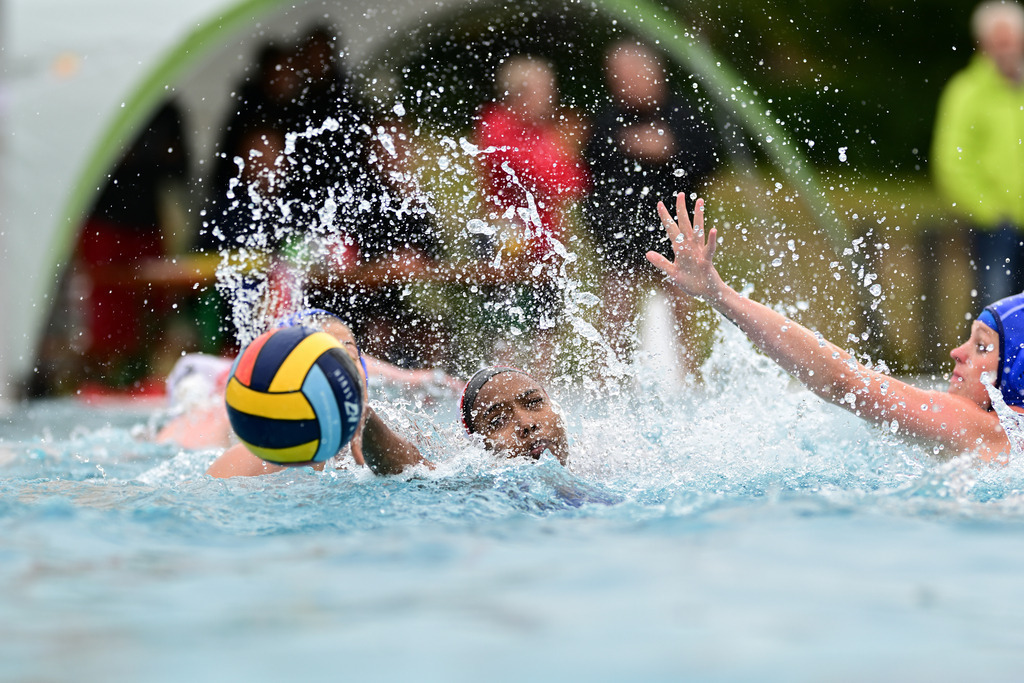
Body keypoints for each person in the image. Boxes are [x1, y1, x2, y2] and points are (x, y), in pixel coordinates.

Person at [648, 192, 1024, 463]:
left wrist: (722, 296)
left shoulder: (986, 430)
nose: (957, 352)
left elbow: (842, 382)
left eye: (982, 346)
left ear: (1016, 370)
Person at [584, 41, 721, 377]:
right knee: (616, 311)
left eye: (631, 76)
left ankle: (688, 376)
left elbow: (709, 159)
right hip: (621, 230)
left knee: (681, 305)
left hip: (671, 229)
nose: (625, 85)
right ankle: (608, 380)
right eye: (617, 78)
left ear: (654, 74)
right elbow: (590, 166)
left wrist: (670, 150)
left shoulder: (682, 115)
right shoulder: (609, 118)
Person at [160, 309, 462, 455]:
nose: (343, 373)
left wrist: (425, 381)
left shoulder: (359, 377)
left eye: (349, 356)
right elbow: (171, 450)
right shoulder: (240, 416)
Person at [474, 55, 589, 377]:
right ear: (520, 93)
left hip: (544, 238)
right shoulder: (495, 123)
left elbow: (574, 182)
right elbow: (533, 173)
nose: (551, 98)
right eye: (545, 90)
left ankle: (541, 382)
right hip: (503, 235)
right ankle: (503, 378)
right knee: (503, 318)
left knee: (546, 318)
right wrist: (563, 151)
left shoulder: (544, 132)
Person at [932, 1, 1024, 305]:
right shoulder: (966, 91)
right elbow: (952, 161)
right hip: (996, 228)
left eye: (1011, 41)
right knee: (996, 306)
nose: (1006, 49)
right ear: (982, 44)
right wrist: (989, 211)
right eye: (999, 42)